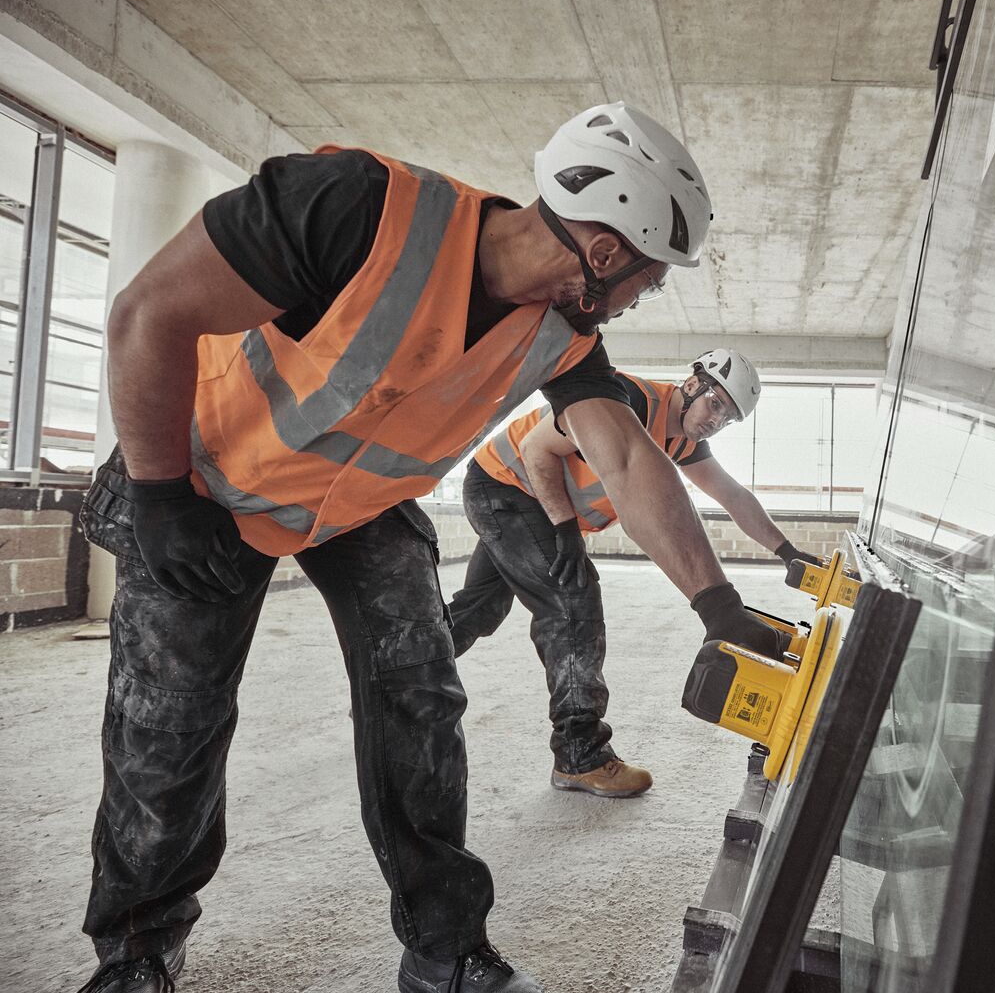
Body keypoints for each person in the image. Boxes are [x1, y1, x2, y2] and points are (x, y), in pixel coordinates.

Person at [75, 103, 783, 993]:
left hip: (359, 507)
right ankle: (138, 951)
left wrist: (718, 603)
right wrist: (158, 494)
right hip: (204, 483)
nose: (648, 295)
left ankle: (447, 949)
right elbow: (148, 312)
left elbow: (631, 459)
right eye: (652, 277)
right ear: (605, 253)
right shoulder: (354, 206)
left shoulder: (566, 338)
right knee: (170, 725)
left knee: (421, 701)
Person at [447, 349, 821, 797]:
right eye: (715, 404)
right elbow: (534, 449)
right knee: (573, 604)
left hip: (522, 496)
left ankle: (400, 678)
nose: (715, 421)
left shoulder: (683, 442)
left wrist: (787, 552)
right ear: (691, 385)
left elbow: (732, 495)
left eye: (727, 418)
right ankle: (579, 755)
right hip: (505, 486)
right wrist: (565, 529)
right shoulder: (625, 399)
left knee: (478, 610)